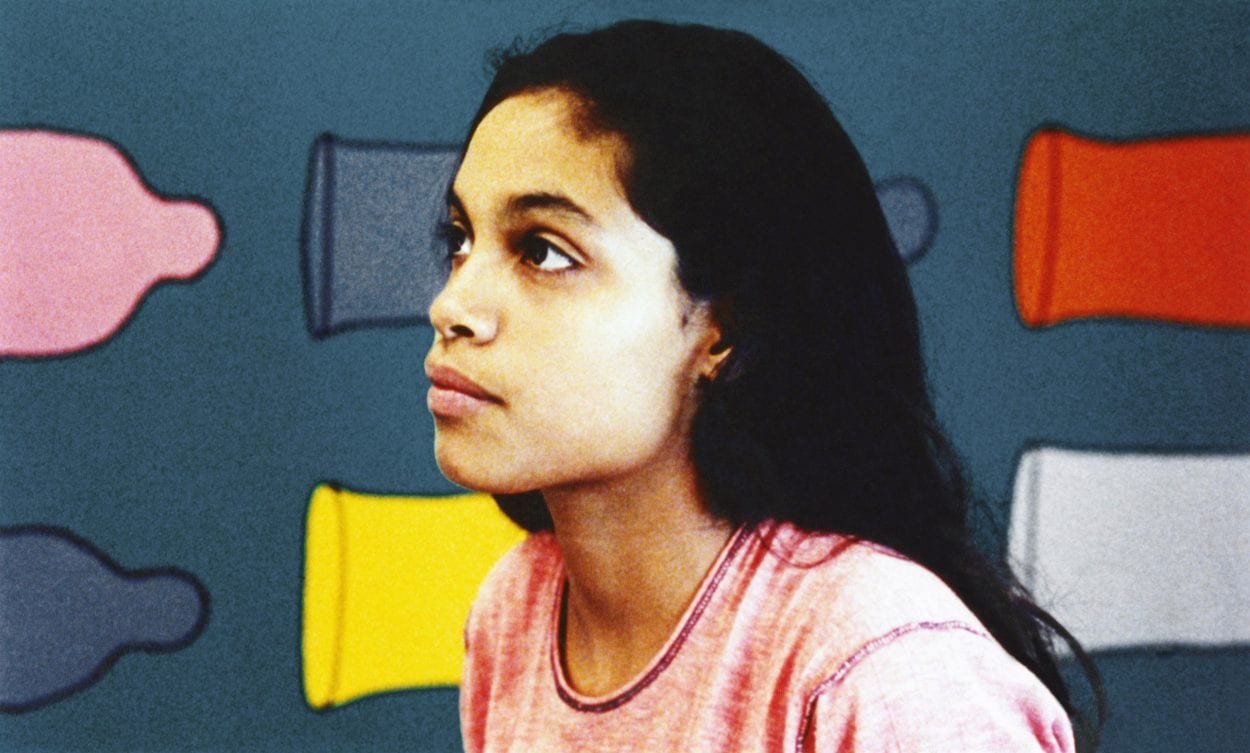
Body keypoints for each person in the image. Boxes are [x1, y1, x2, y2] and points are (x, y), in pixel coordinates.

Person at [424, 19, 1101, 752]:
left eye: (544, 251)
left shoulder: (883, 672)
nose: (452, 305)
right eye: (460, 239)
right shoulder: (517, 610)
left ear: (722, 328)